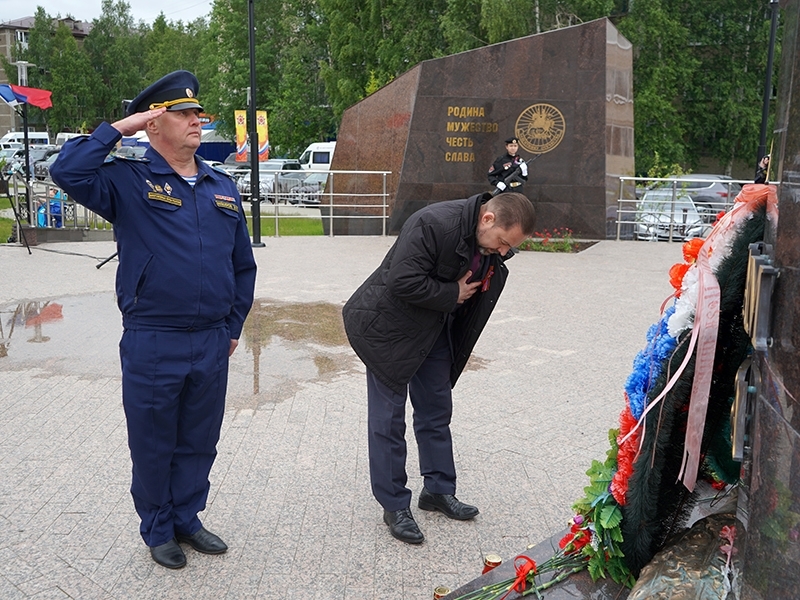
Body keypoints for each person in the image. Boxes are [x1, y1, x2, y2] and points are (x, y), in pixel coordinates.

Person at [50, 71, 257, 569]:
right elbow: (68, 171)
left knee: (199, 439)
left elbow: (242, 265)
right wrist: (121, 127)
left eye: (197, 114)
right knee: (153, 441)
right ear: (154, 124)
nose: (196, 121)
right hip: (154, 337)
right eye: (183, 114)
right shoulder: (127, 179)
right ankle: (158, 528)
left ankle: (188, 517)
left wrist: (231, 328)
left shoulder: (220, 186)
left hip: (211, 340)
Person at [342, 191, 536, 544]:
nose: (505, 252)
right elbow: (401, 279)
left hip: (433, 330)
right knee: (388, 419)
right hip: (388, 331)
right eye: (504, 243)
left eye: (512, 248)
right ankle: (395, 506)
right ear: (488, 219)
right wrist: (451, 294)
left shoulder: (486, 241)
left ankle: (437, 490)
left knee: (435, 410)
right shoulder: (433, 223)